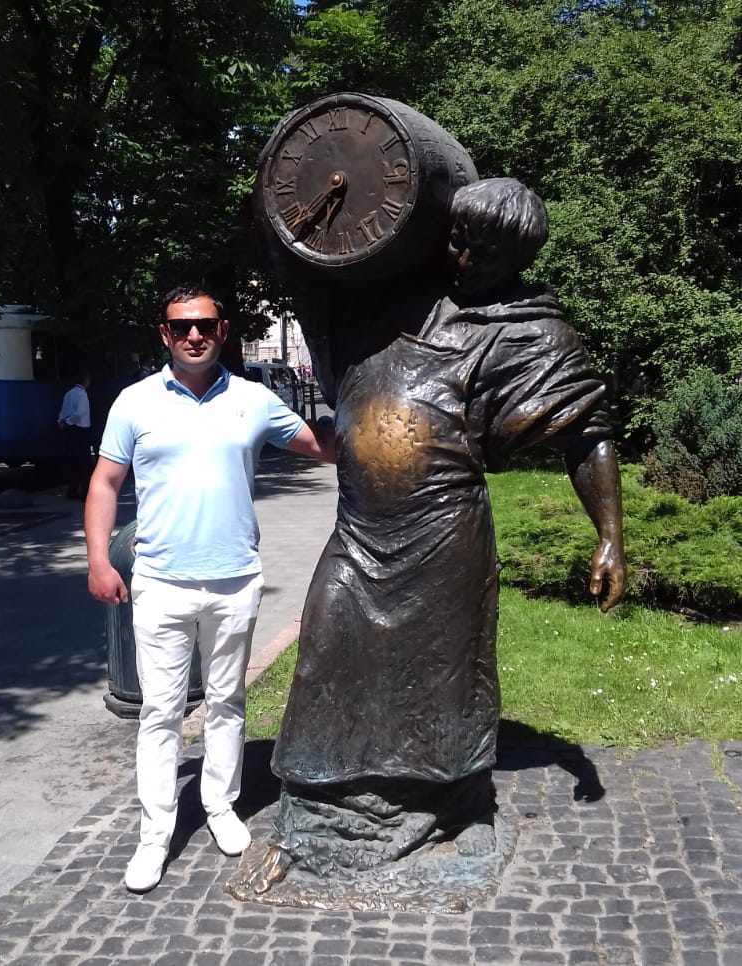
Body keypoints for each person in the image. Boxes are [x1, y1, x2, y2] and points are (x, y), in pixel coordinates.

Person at [241, 178, 625, 894]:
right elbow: (298, 262)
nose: (465, 259)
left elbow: (586, 436)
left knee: (440, 683)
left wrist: (610, 535)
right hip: (360, 533)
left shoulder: (530, 333)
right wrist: (308, 206)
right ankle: (313, 814)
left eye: (486, 253)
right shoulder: (387, 300)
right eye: (457, 240)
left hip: (444, 538)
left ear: (515, 261)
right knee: (327, 657)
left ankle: (439, 808)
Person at [84, 283, 335, 893]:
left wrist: (378, 432)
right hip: (160, 582)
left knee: (226, 701)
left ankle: (220, 806)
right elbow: (104, 484)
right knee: (161, 711)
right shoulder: (135, 402)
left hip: (235, 581)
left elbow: (320, 447)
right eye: (180, 326)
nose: (192, 335)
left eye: (203, 325)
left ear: (222, 330)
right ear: (164, 334)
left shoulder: (254, 399)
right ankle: (154, 836)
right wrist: (98, 560)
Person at [57, 371, 93, 500]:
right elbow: (80, 413)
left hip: (70, 431)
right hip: (80, 430)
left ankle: (72, 490)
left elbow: (63, 411)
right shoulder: (82, 394)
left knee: (73, 462)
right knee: (84, 463)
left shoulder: (69, 393)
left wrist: (62, 422)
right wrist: (68, 421)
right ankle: (85, 492)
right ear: (85, 381)